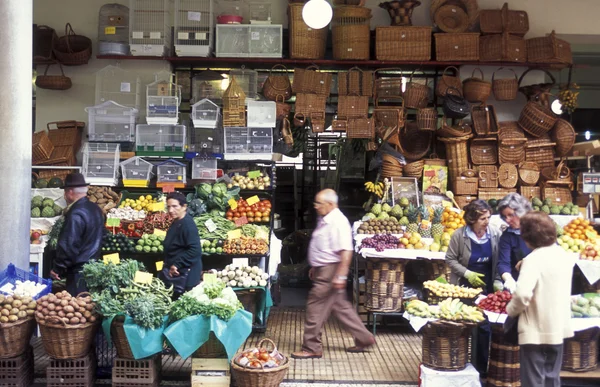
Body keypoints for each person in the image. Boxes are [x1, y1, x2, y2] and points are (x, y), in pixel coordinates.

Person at [291, 189, 375, 359]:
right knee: (341, 307)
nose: (315, 206)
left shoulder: (338, 222)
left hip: (331, 271)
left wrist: (341, 275)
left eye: (319, 203)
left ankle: (311, 347)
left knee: (315, 307)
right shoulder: (326, 219)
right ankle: (365, 338)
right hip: (325, 269)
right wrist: (315, 265)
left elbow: (346, 251)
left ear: (330, 204)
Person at [506, 212, 574, 387]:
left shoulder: (533, 260)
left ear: (528, 237)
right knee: (552, 379)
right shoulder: (563, 255)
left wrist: (511, 310)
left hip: (535, 331)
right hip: (558, 328)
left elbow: (522, 295)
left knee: (533, 382)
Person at [445, 199, 502, 375]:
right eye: (483, 219)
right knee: (462, 326)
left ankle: (480, 369)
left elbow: (500, 260)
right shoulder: (459, 236)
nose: (487, 222)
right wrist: (467, 273)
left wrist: (498, 280)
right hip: (463, 287)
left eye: (488, 218)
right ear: (472, 219)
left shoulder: (494, 234)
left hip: (485, 289)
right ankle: (457, 365)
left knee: (483, 327)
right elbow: (450, 259)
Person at [49, 173, 104, 296]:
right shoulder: (95, 208)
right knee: (87, 307)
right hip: (93, 268)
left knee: (77, 308)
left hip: (78, 272)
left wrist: (58, 268)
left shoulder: (75, 213)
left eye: (64, 192)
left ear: (70, 192)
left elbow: (69, 244)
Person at [158, 192, 202, 298]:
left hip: (186, 276)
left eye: (174, 206)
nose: (170, 210)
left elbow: (195, 250)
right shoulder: (177, 221)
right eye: (168, 207)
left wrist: (177, 264)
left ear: (184, 207)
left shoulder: (187, 224)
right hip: (178, 274)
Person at [496, 193, 533, 293]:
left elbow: (553, 252)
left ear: (522, 212)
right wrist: (508, 279)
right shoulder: (507, 236)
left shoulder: (539, 228)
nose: (507, 220)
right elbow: (503, 263)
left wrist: (526, 261)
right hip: (518, 283)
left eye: (511, 215)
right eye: (504, 216)